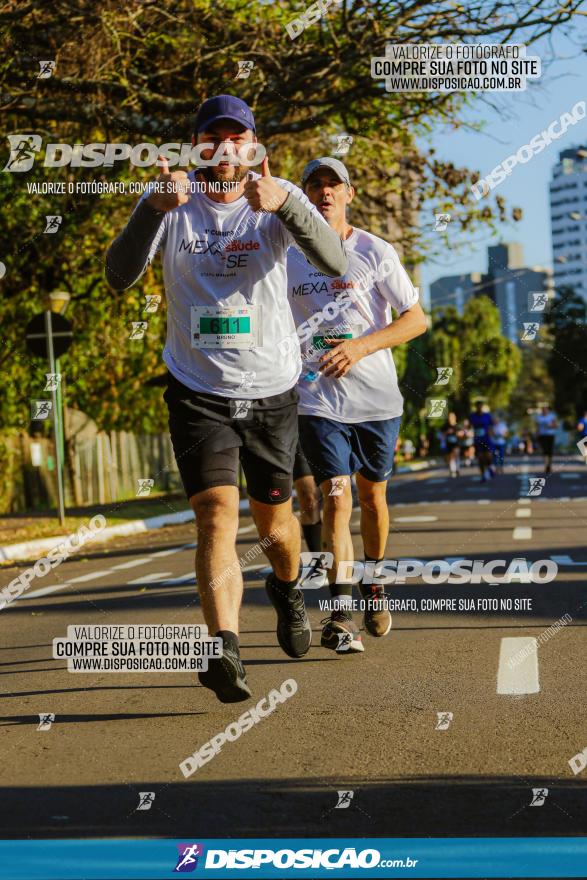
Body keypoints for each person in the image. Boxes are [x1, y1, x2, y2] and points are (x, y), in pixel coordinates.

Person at [105, 95, 348, 702]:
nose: (225, 149)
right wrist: (151, 212)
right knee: (215, 515)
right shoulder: (170, 200)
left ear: (253, 145)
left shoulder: (277, 196)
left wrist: (287, 205)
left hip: (270, 388)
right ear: (197, 146)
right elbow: (118, 274)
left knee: (277, 522)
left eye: (237, 138)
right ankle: (225, 650)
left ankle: (287, 590)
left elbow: (336, 260)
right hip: (197, 388)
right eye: (213, 138)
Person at [286, 157, 427, 654]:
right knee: (337, 498)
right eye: (315, 186)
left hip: (377, 401)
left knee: (372, 498)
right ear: (303, 196)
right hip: (317, 400)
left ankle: (375, 581)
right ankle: (341, 612)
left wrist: (363, 346)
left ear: (349, 193)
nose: (324, 193)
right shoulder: (286, 253)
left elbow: (416, 320)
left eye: (333, 185)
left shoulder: (375, 250)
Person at [469, 400, 494, 482]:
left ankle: (490, 467)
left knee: (488, 456)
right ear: (476, 407)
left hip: (487, 439)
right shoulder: (472, 416)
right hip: (478, 440)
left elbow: (491, 426)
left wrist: (491, 434)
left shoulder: (487, 416)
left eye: (480, 406)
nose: (479, 408)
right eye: (478, 406)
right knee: (480, 458)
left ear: (482, 407)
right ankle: (483, 475)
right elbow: (469, 426)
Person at [535, 405, 558, 474]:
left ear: (548, 410)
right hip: (542, 436)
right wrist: (537, 434)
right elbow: (537, 427)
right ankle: (546, 465)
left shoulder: (551, 416)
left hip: (550, 435)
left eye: (546, 410)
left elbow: (556, 425)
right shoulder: (539, 417)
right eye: (543, 410)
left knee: (550, 452)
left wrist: (551, 425)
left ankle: (549, 465)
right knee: (544, 451)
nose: (544, 411)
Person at [442, 412, 461, 477]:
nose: (450, 418)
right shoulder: (445, 426)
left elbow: (460, 434)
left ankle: (457, 469)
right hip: (448, 443)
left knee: (456, 454)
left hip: (456, 443)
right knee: (450, 457)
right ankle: (452, 470)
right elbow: (442, 435)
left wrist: (457, 433)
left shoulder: (457, 425)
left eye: (452, 417)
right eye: (449, 417)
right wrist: (447, 432)